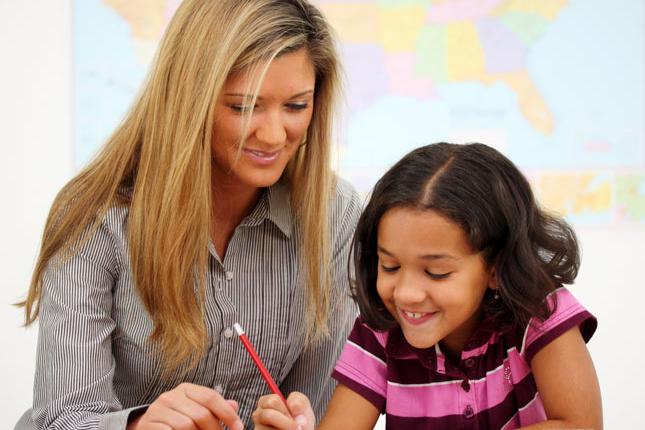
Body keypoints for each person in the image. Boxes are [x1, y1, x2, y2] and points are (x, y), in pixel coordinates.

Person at [15, 1, 362, 429]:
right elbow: (61, 418)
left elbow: (319, 410)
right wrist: (138, 426)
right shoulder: (96, 215)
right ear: (189, 98)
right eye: (243, 107)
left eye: (295, 106)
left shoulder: (337, 216)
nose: (274, 135)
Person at [253, 142, 603, 430]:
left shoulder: (540, 314)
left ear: (495, 267)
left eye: (435, 273)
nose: (405, 293)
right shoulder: (380, 333)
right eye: (389, 265)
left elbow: (580, 424)